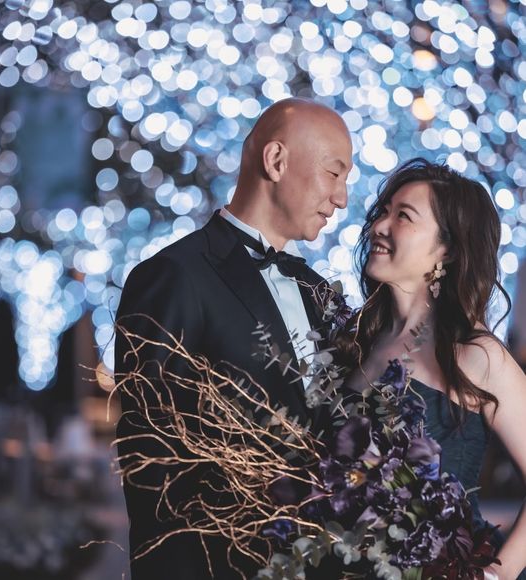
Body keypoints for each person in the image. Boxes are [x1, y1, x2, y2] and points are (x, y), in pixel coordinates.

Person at [115, 98, 353, 579]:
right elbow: (152, 463)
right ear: (276, 160)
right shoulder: (174, 276)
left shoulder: (319, 291)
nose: (342, 198)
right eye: (334, 173)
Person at [342, 158, 526, 579]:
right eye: (383, 212)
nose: (378, 226)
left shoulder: (476, 355)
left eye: (403, 216)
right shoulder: (355, 345)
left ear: (448, 248)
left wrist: (496, 575)